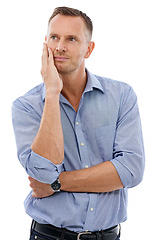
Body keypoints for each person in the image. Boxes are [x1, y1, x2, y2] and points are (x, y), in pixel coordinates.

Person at [12, 6, 145, 240]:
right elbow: (42, 173)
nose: (60, 46)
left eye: (71, 39)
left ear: (89, 49)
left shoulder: (121, 96)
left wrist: (56, 184)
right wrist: (52, 93)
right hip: (49, 236)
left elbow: (131, 170)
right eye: (54, 37)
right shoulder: (27, 106)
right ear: (46, 43)